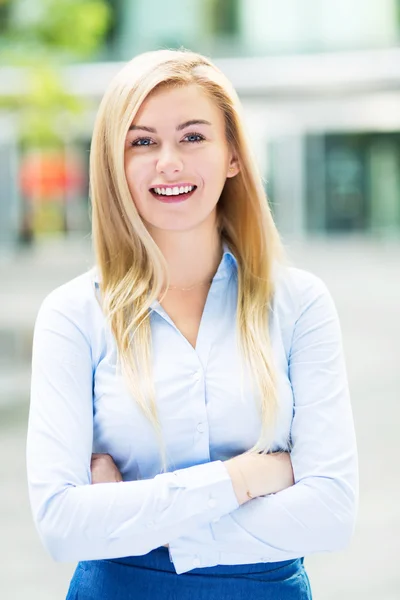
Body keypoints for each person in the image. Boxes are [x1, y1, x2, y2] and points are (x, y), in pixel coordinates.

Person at [26, 48, 358, 600]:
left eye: (193, 137)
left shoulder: (300, 304)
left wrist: (131, 520)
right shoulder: (72, 316)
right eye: (143, 142)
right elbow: (62, 525)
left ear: (232, 155)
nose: (169, 161)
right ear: (115, 163)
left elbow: (331, 511)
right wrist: (246, 479)